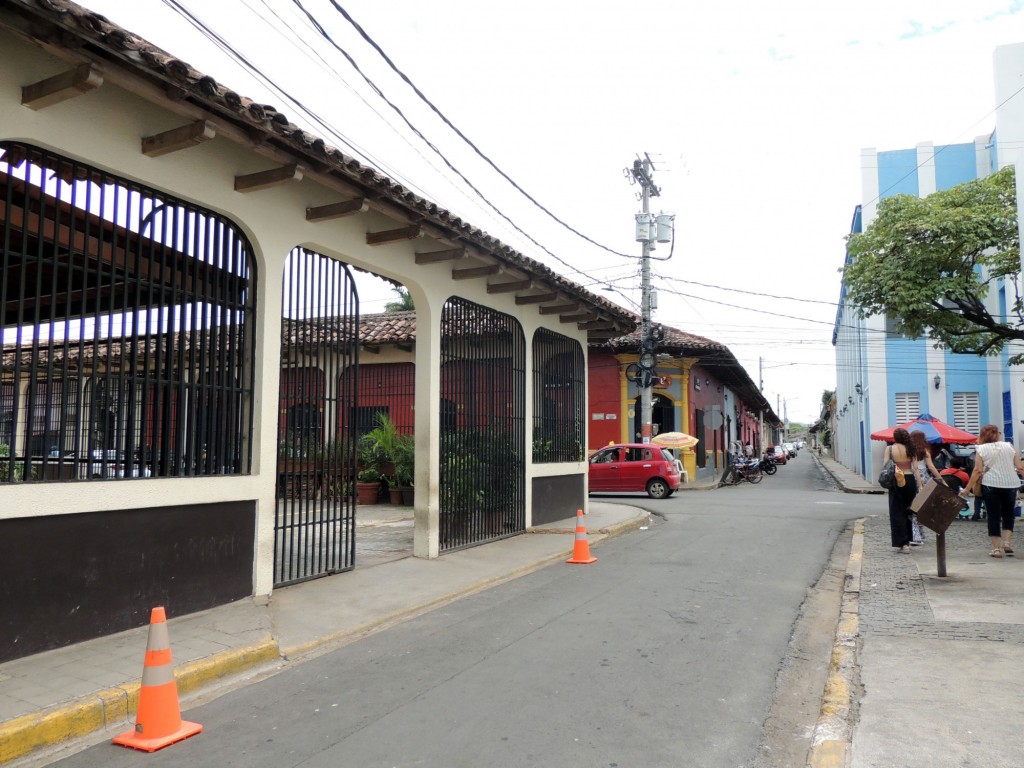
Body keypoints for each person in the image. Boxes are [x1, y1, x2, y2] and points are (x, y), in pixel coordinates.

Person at [959, 424, 1024, 558]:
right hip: (1011, 484)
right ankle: (1007, 543)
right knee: (1008, 514)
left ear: (983, 436)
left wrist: (966, 489)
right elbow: (1020, 467)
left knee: (993, 516)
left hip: (991, 484)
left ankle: (996, 549)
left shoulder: (981, 449)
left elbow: (977, 470)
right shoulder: (1009, 446)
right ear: (998, 434)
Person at [884, 428, 918, 553]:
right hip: (910, 480)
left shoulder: (890, 449)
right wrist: (920, 484)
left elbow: (886, 466)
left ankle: (902, 543)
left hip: (897, 480)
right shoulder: (911, 448)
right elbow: (916, 469)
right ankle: (908, 540)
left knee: (897, 512)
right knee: (909, 510)